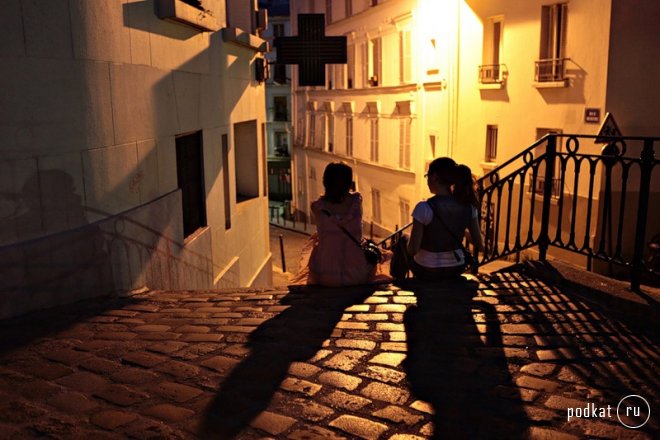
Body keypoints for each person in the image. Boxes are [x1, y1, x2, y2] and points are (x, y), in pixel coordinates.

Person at [292, 162, 389, 287]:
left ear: (325, 182)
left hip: (326, 276)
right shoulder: (356, 202)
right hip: (356, 274)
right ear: (349, 183)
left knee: (318, 242)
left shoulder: (317, 206)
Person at [406, 158, 484, 280]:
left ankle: (396, 281)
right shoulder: (469, 207)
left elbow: (412, 250)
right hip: (456, 267)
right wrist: (460, 230)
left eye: (427, 176)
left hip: (427, 269)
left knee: (402, 241)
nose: (427, 181)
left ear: (435, 176)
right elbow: (479, 243)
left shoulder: (424, 208)